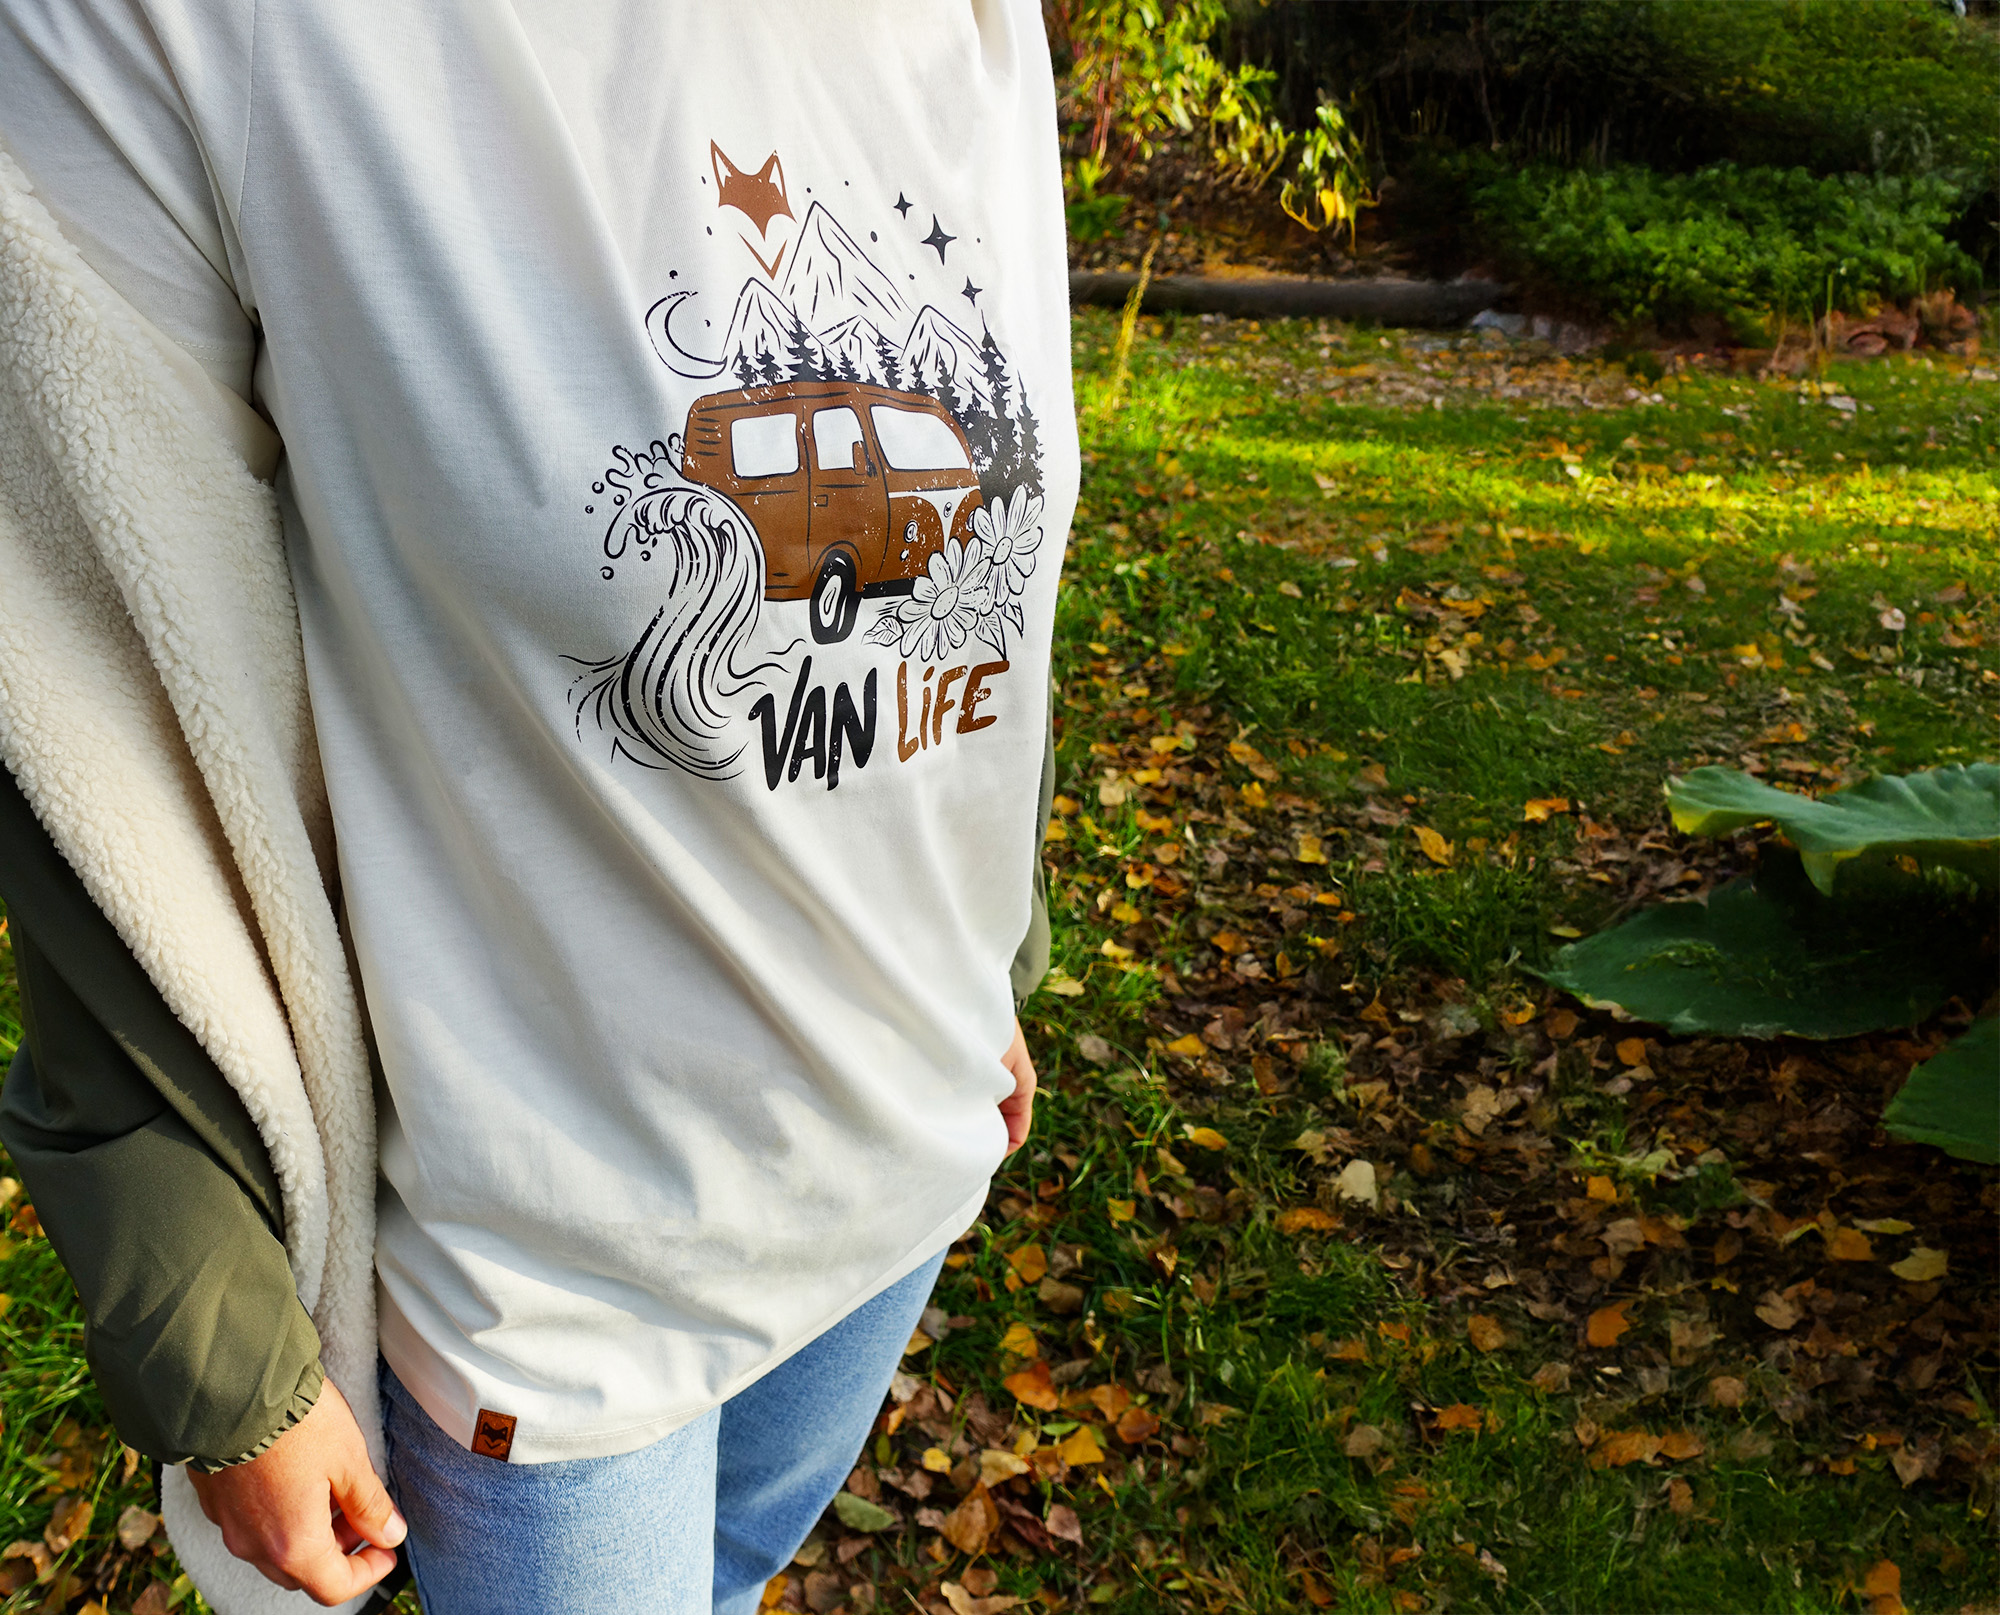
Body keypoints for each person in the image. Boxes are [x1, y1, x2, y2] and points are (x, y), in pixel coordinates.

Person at [0, 2, 1073, 1609]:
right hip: (556, 1289)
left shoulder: (970, 23)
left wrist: (989, 947)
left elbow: (992, 589)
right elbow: (90, 670)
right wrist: (210, 1324)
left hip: (900, 1157)